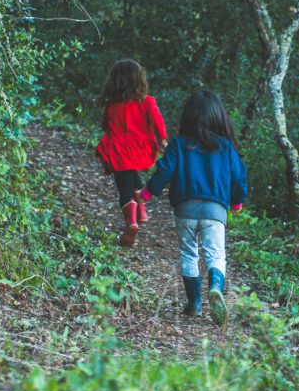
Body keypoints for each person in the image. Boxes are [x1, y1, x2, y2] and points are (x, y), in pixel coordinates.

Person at [136, 91, 247, 325]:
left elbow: (165, 170)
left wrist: (148, 191)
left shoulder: (178, 144)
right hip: (215, 211)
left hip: (185, 210)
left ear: (188, 117)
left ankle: (194, 304)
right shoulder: (225, 147)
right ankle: (215, 288)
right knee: (215, 253)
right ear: (219, 117)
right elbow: (239, 176)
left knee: (189, 253)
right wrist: (237, 200)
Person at [95, 59, 168, 247]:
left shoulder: (112, 106)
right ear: (139, 81)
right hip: (139, 149)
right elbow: (158, 121)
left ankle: (131, 222)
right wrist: (162, 139)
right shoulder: (147, 102)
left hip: (119, 150)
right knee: (133, 177)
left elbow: (105, 126)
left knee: (124, 187)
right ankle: (141, 209)